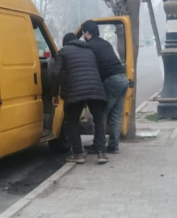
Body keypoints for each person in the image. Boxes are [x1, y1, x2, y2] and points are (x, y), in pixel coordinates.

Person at [50, 33, 109, 164]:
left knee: (72, 121)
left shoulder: (63, 52)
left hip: (76, 90)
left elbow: (55, 74)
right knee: (98, 120)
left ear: (66, 43)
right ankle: (101, 153)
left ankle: (78, 154)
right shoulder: (90, 51)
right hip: (95, 88)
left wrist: (55, 94)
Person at [81, 20, 129, 155]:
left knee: (100, 114)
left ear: (87, 33)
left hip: (112, 80)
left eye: (84, 33)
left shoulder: (90, 46)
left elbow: (91, 67)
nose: (84, 36)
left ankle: (98, 145)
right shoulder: (105, 43)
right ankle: (113, 146)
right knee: (115, 116)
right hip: (122, 79)